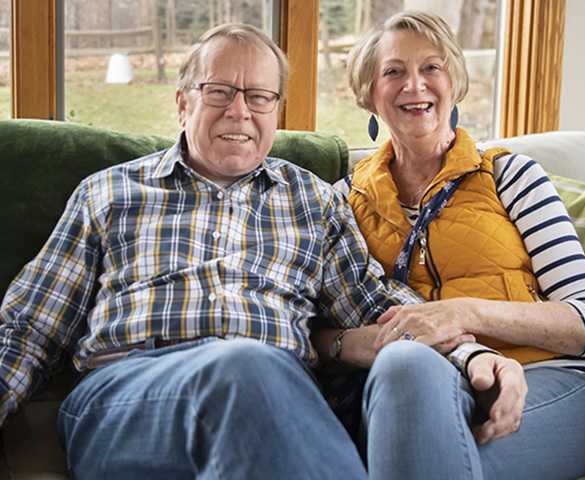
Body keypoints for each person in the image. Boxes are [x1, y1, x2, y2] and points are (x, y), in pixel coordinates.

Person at [0, 24, 424, 479]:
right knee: (243, 366)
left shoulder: (314, 200)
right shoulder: (110, 192)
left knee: (252, 380)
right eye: (220, 91)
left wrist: (471, 350)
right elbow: (30, 328)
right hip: (126, 398)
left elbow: (374, 306)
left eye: (259, 96)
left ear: (276, 111)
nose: (239, 112)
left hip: (274, 397)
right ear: (184, 104)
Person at [314, 11, 585, 480]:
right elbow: (316, 331)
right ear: (368, 92)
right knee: (404, 364)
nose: (415, 86)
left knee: (428, 458)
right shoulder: (339, 201)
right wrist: (368, 343)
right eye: (394, 72)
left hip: (549, 380)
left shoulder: (511, 177)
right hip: (420, 386)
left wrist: (465, 313)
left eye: (431, 68)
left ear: (453, 82)